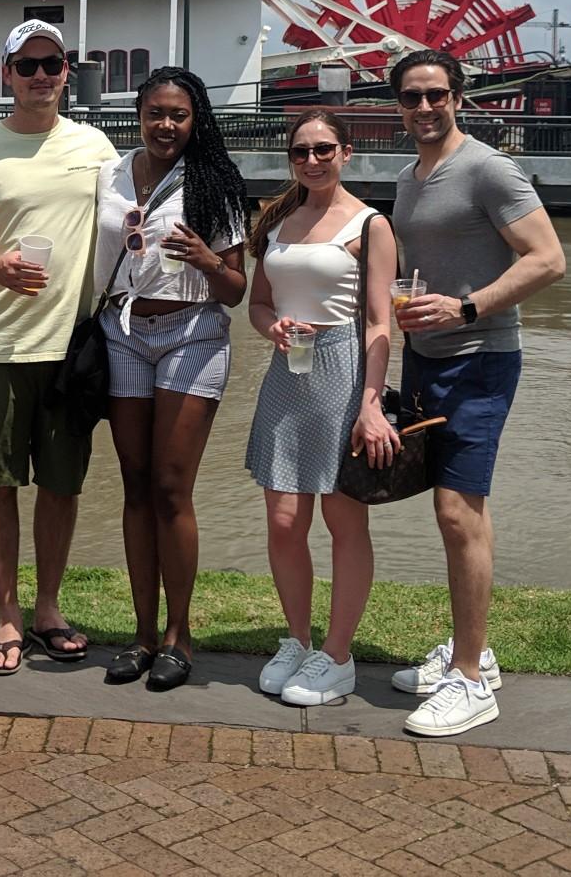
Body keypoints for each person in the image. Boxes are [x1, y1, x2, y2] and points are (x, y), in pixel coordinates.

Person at [387, 49, 566, 736]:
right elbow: (414, 262)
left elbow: (549, 259)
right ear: (397, 105)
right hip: (425, 359)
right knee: (463, 513)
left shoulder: (490, 169)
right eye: (411, 97)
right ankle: (475, 654)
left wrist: (467, 308)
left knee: (457, 512)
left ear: (458, 96)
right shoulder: (410, 177)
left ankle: (469, 682)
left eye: (436, 94)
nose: (425, 107)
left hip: (480, 357)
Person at [0, 18, 118, 676]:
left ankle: (47, 607)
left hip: (75, 346)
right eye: (28, 65)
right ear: (7, 73)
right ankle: (6, 613)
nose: (41, 76)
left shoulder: (98, 147)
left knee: (62, 486)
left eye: (53, 64)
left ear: (68, 72)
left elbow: (127, 225)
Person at [95, 67, 247, 691]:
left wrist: (209, 260)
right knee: (133, 485)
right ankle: (142, 634)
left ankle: (179, 636)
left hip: (192, 334)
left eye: (178, 115)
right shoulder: (108, 173)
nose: (165, 126)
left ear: (195, 119)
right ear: (138, 114)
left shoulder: (215, 181)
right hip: (122, 333)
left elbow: (236, 290)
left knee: (170, 486)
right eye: (155, 113)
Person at [245, 110, 401, 707]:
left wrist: (371, 404)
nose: (311, 161)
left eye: (323, 150)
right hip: (288, 373)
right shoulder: (279, 218)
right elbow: (259, 303)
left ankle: (337, 655)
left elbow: (380, 320)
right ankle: (297, 638)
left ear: (346, 152)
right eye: (300, 152)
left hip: (343, 372)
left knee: (343, 522)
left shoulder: (371, 224)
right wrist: (273, 327)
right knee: (285, 521)